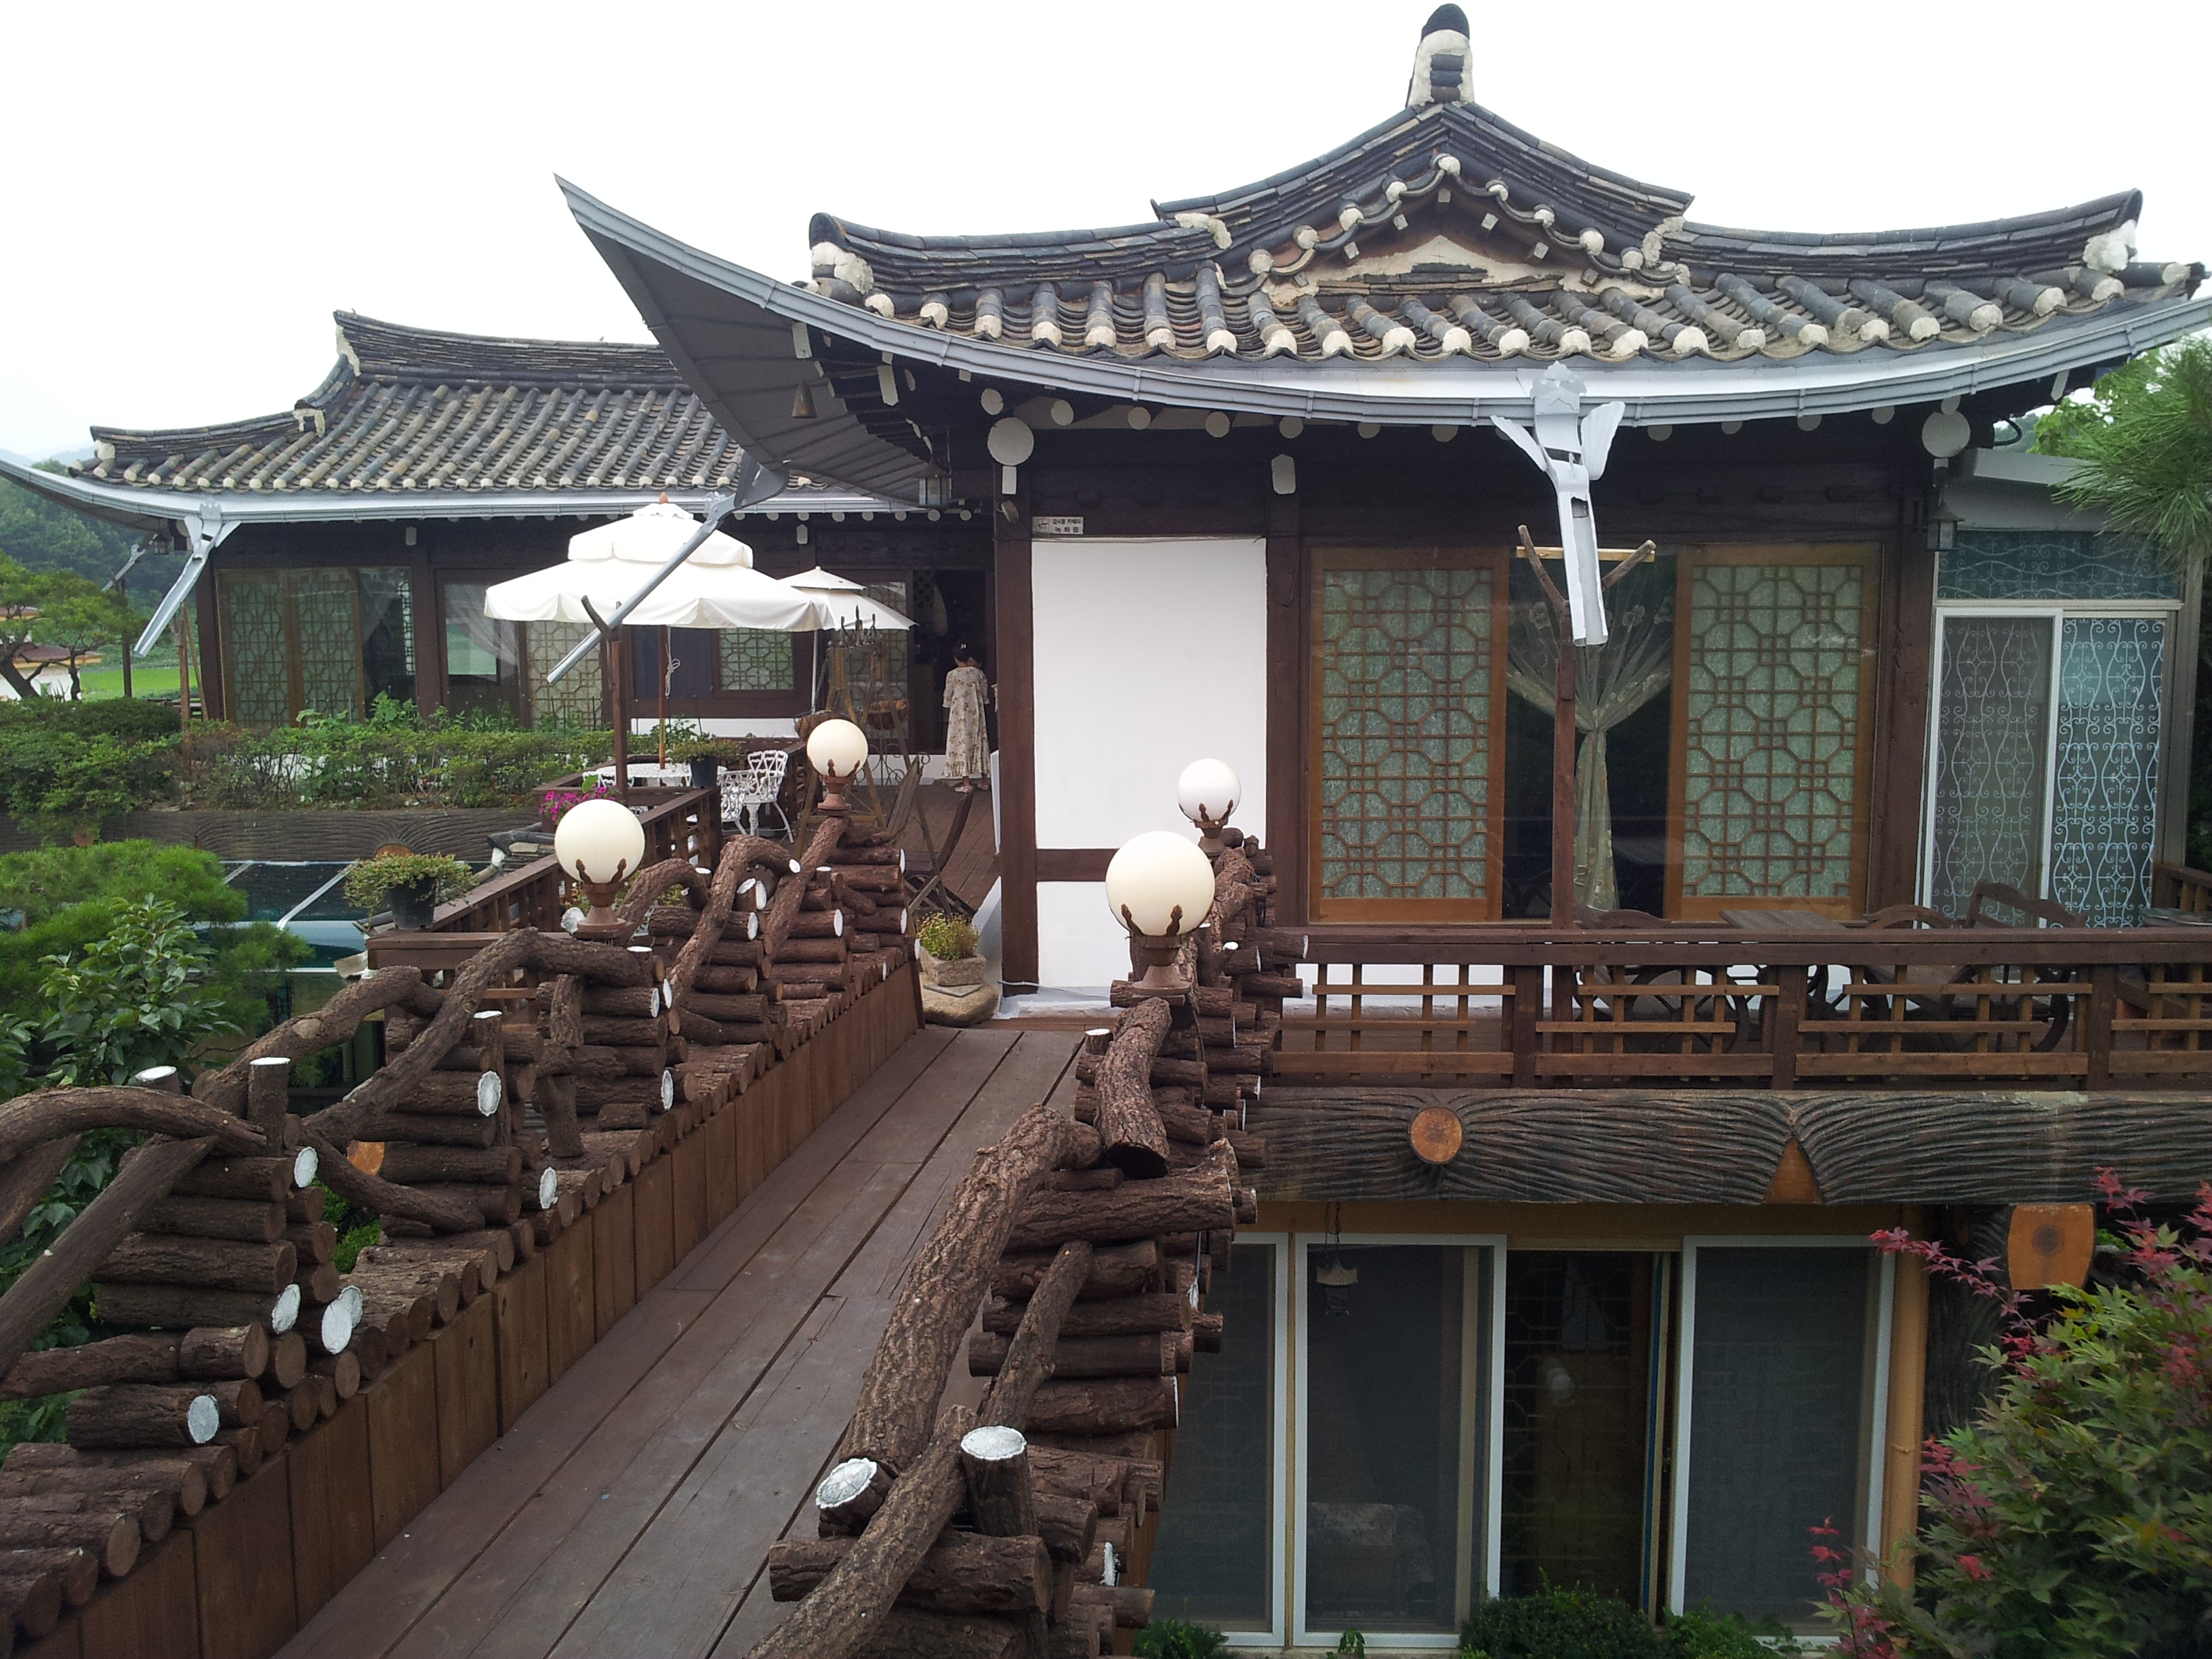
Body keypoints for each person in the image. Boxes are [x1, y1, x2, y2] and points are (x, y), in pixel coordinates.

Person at [941, 645, 990, 793]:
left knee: (962, 743)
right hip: (976, 713)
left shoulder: (952, 675)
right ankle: (984, 780)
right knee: (980, 741)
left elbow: (947, 698)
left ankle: (966, 783)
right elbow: (984, 695)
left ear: (956, 659)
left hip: (959, 715)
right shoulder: (978, 673)